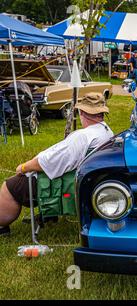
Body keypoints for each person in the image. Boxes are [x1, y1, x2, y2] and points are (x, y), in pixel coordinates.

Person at [0, 92, 114, 236]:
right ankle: (47, 215)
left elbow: (50, 163)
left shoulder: (83, 136)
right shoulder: (106, 131)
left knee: (10, 186)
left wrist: (23, 167)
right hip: (82, 179)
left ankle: (2, 226)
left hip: (59, 182)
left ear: (82, 112)